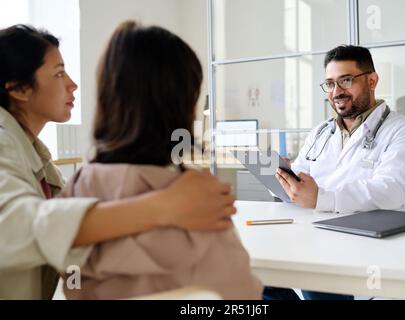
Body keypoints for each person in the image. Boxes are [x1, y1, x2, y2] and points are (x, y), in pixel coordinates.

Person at [0, 24, 236, 300]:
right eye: (59, 73)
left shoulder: (48, 164)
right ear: (19, 90)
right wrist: (163, 207)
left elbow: (75, 275)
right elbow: (11, 228)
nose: (73, 84)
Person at [58, 21, 262, 300]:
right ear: (181, 104)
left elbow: (71, 282)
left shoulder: (75, 190)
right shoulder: (198, 201)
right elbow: (242, 296)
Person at [275, 45, 405, 300]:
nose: (336, 92)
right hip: (309, 235)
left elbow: (390, 191)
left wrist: (321, 198)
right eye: (330, 84)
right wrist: (285, 177)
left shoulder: (404, 131)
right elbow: (302, 175)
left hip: (363, 246)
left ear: (372, 80)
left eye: (345, 80)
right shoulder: (321, 132)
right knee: (257, 279)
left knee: (316, 287)